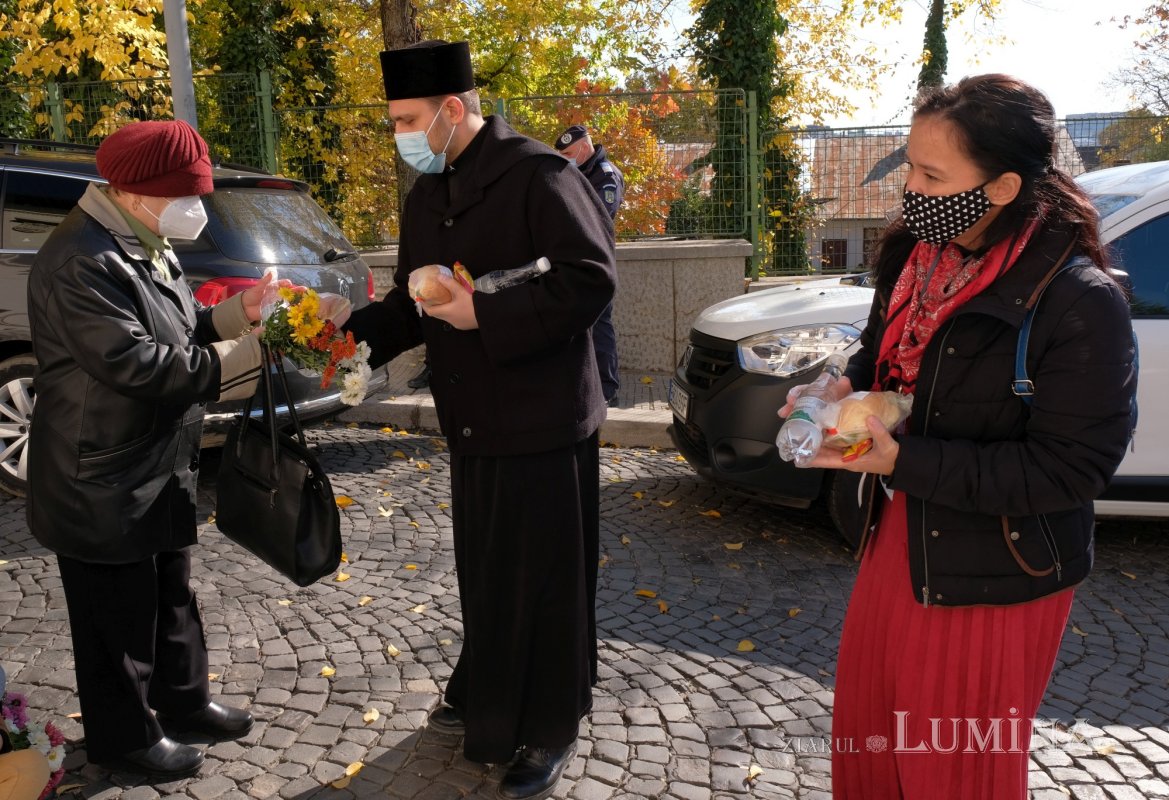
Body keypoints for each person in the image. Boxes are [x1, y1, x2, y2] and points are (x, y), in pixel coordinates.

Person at [779, 75, 1137, 798]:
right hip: (898, 535)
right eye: (910, 166)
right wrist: (841, 390)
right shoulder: (915, 255)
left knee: (952, 768)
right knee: (872, 742)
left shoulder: (1079, 301)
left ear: (1002, 187)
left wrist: (902, 460)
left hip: (998, 570)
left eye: (931, 175)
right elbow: (881, 352)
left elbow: (1070, 471)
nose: (909, 188)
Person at [344, 40, 615, 800]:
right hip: (473, 420)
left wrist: (483, 314)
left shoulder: (540, 175)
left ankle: (550, 725)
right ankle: (486, 687)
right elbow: (411, 302)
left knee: (545, 579)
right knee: (489, 568)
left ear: (454, 109)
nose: (399, 134)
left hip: (543, 419)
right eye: (394, 121)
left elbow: (590, 280)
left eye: (407, 120)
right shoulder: (426, 195)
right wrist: (344, 334)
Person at [26, 119, 270, 780]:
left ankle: (183, 701)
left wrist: (240, 313)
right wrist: (246, 357)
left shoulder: (142, 239)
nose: (196, 207)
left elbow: (181, 326)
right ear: (134, 193)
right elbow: (138, 363)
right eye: (185, 195)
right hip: (98, 471)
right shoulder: (82, 259)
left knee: (170, 592)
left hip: (154, 456)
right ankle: (124, 738)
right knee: (116, 615)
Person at [554, 124, 624, 405]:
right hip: (574, 259)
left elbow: (600, 217)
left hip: (596, 261)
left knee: (599, 324)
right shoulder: (578, 173)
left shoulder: (606, 176)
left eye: (569, 153)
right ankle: (586, 386)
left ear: (584, 147)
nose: (566, 159)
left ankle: (607, 390)